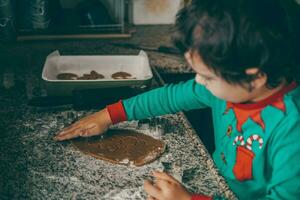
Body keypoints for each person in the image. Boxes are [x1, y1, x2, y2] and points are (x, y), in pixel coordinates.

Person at [54, 0, 300, 199]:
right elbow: (169, 97)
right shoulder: (229, 86)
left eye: (207, 76)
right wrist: (109, 115)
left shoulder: (292, 130)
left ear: (254, 77)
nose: (198, 82)